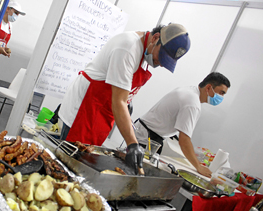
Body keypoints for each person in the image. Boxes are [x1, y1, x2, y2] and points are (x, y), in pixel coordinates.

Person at [58, 23, 191, 174]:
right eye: (161, 57)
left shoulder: (146, 52)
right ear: (155, 38)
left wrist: (128, 101)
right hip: (84, 111)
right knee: (67, 166)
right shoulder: (128, 48)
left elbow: (122, 92)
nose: (160, 63)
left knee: (82, 166)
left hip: (102, 113)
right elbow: (119, 101)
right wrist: (133, 144)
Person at [134, 72, 231, 177]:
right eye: (221, 93)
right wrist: (198, 166)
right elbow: (184, 140)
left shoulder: (190, 91)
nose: (221, 97)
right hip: (147, 138)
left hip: (146, 133)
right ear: (208, 87)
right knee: (136, 175)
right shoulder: (193, 104)